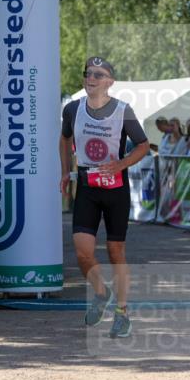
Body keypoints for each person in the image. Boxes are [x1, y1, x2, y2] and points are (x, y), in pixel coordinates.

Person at [59, 57, 149, 339]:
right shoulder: (72, 109)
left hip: (115, 189)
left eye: (98, 75)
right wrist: (65, 172)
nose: (91, 78)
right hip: (87, 185)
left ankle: (122, 314)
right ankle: (101, 292)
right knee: (83, 252)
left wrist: (121, 164)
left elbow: (144, 145)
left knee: (115, 252)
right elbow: (64, 139)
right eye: (88, 74)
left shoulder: (124, 111)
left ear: (110, 82)